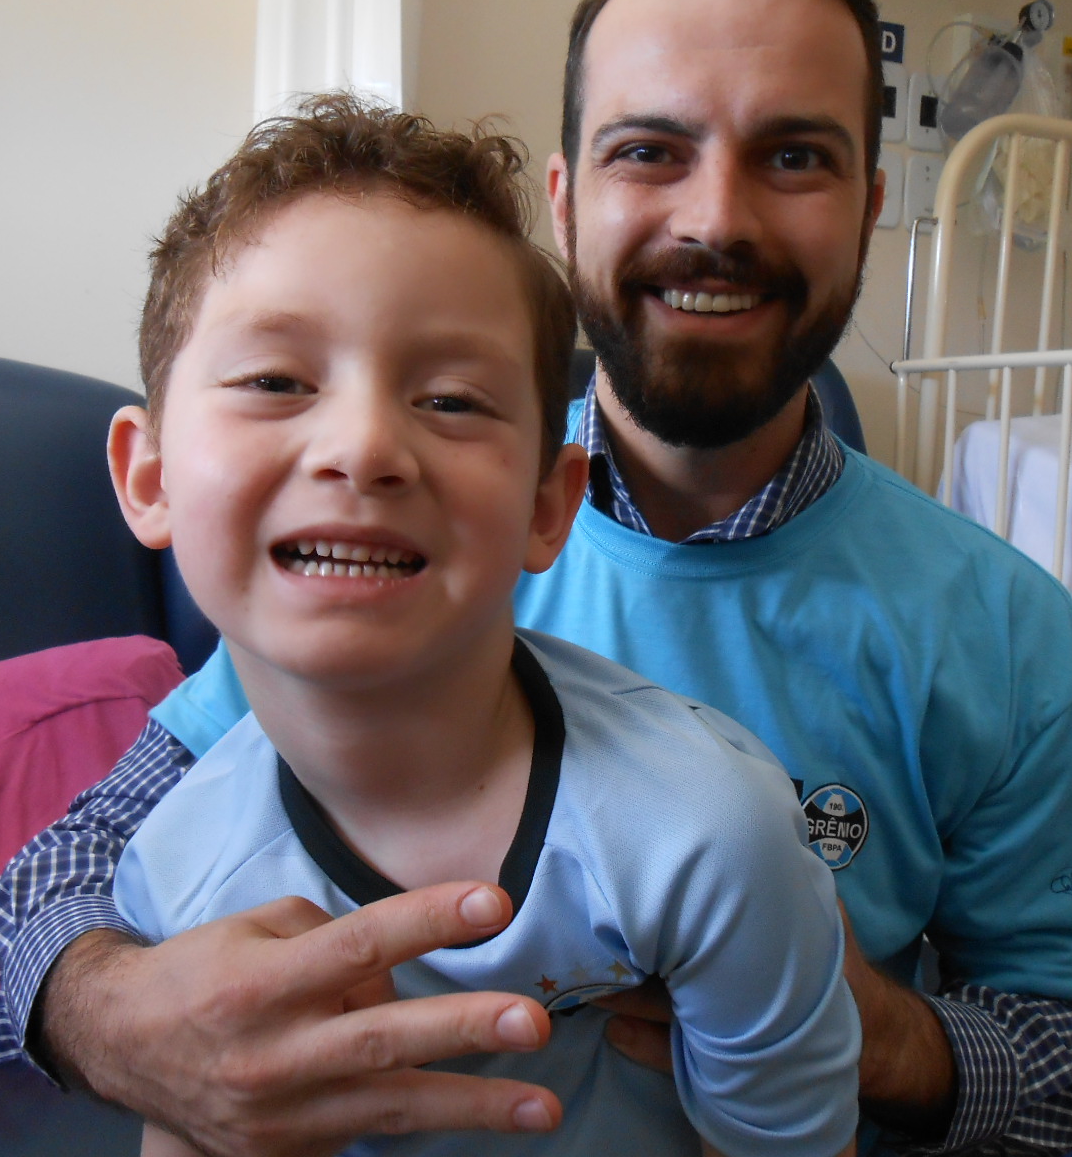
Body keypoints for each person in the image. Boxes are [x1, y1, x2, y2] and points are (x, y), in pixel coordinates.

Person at [0, 0, 1072, 1153]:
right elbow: (60, 871)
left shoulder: (1005, 633)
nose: (715, 221)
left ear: (869, 205)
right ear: (567, 196)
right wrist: (126, 1022)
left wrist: (850, 1024)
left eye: (794, 157)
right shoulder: (386, 574)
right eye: (647, 151)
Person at [65, 92, 861, 1157]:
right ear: (149, 475)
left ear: (548, 505)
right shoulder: (171, 877)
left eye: (450, 400)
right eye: (274, 380)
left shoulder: (712, 833)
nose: (362, 446)